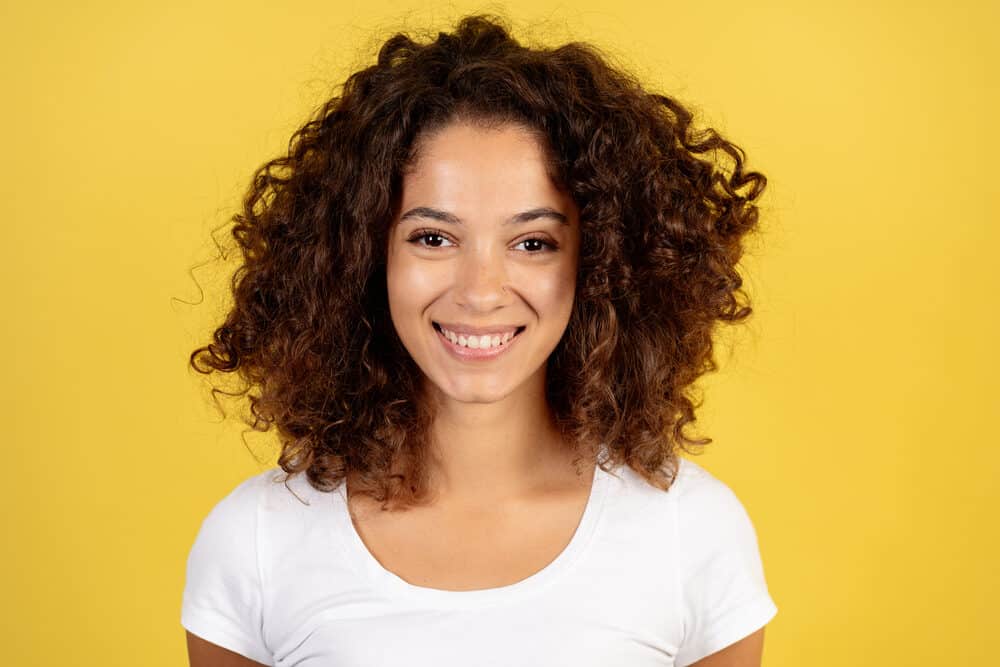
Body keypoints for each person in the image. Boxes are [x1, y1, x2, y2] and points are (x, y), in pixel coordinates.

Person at [181, 13, 777, 667]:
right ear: (361, 255)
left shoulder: (689, 532)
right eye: (433, 237)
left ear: (601, 261)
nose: (481, 290)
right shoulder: (257, 543)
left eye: (533, 242)